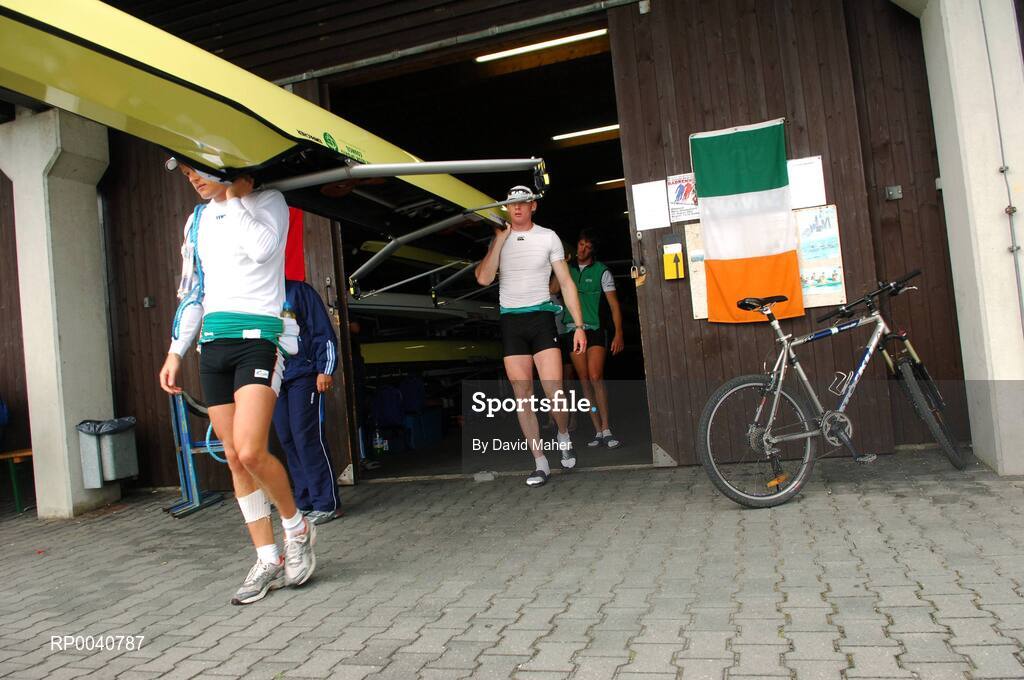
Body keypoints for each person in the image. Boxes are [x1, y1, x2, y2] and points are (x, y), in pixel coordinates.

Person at [158, 159, 317, 605]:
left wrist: (236, 196)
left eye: (198, 171)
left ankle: (296, 527)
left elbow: (265, 250)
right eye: (187, 175)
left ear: (223, 169)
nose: (192, 179)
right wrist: (176, 349)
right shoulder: (196, 221)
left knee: (251, 449)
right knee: (232, 456)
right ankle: (268, 558)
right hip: (214, 343)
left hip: (260, 338)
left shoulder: (268, 202)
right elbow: (193, 291)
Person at [475, 186, 587, 487]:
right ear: (507, 208)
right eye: (512, 204)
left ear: (533, 206)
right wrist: (499, 240)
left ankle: (563, 435)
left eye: (523, 204)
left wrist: (578, 325)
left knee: (554, 393)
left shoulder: (548, 236)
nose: (517, 209)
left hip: (541, 319)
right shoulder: (500, 238)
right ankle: (540, 462)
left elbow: (565, 281)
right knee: (522, 396)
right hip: (511, 322)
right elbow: (484, 278)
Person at [272, 279, 340, 526]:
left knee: (306, 437)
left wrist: (326, 369)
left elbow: (323, 331)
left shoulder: (299, 291)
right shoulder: (258, 295)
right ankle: (305, 502)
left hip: (305, 373)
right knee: (287, 437)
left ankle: (326, 503)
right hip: (275, 377)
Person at [553, 229, 625, 448]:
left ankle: (606, 428)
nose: (582, 249)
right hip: (572, 330)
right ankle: (597, 430)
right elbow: (553, 289)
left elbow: (614, 305)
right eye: (580, 244)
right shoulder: (568, 269)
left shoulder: (602, 271)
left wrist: (618, 333)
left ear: (593, 250)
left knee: (595, 377)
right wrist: (560, 266)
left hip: (594, 329)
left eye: (587, 246)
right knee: (584, 379)